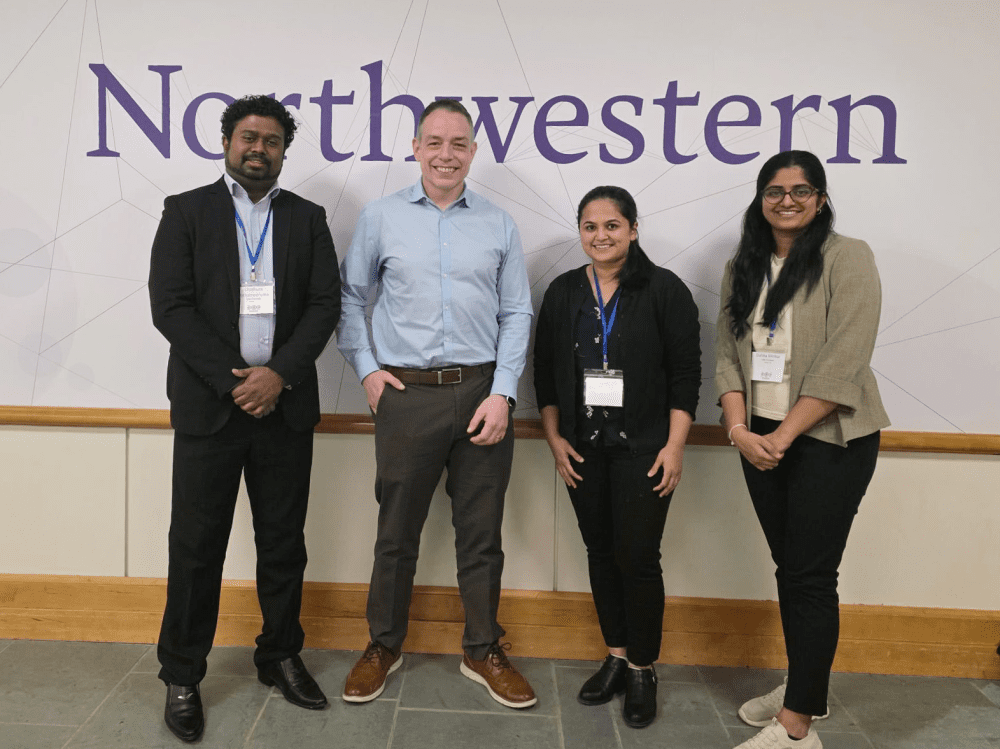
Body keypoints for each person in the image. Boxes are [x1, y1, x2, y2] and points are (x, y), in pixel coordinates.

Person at [148, 95, 341, 742]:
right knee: (195, 547)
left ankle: (280, 653)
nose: (259, 149)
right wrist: (238, 381)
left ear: (285, 151)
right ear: (227, 142)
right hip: (212, 409)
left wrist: (277, 374)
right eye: (247, 138)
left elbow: (322, 304)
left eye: (272, 141)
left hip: (284, 408)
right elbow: (170, 307)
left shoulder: (307, 218)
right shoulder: (186, 212)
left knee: (284, 544)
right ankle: (182, 673)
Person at [337, 99, 536, 708]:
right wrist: (368, 371)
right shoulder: (381, 218)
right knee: (396, 533)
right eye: (435, 142)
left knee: (481, 534)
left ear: (473, 152)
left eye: (459, 143)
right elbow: (350, 298)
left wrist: (503, 391)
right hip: (406, 397)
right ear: (416, 149)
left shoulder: (499, 224)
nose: (446, 154)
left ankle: (482, 649)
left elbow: (516, 313)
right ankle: (383, 645)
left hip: (482, 395)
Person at [715, 151, 889, 749]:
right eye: (775, 190)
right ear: (760, 197)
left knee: (811, 575)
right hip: (758, 437)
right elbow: (726, 354)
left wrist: (783, 436)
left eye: (801, 189)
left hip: (826, 438)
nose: (787, 200)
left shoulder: (849, 257)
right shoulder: (744, 263)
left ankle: (796, 729)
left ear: (820, 198)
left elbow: (846, 358)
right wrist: (740, 432)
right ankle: (803, 686)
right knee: (792, 571)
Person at [533, 186, 701, 728]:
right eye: (589, 226)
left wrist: (675, 447)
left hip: (645, 450)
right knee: (600, 552)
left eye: (611, 225)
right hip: (582, 449)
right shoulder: (562, 292)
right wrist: (556, 439)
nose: (600, 236)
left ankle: (644, 669)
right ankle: (617, 655)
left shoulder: (664, 289)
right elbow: (545, 373)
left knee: (638, 558)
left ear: (633, 228)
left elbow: (685, 377)